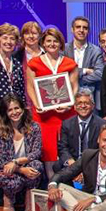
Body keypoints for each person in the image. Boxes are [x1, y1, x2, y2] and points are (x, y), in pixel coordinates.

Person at [26, 27, 79, 179]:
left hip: (66, 114)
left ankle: (66, 185)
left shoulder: (70, 63)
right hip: (44, 116)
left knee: (67, 149)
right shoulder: (34, 63)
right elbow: (30, 87)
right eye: (48, 41)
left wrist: (69, 103)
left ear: (61, 43)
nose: (52, 44)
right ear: (43, 42)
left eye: (55, 41)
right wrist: (37, 105)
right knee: (48, 151)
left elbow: (74, 87)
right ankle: (51, 184)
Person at [47, 124, 106, 211]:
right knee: (60, 187)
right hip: (88, 197)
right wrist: (52, 186)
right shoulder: (88, 155)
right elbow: (65, 173)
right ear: (98, 140)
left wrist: (94, 199)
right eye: (105, 140)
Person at [0, 95, 43, 211]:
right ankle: (8, 198)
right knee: (11, 179)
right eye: (10, 110)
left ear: (23, 108)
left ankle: (29, 201)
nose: (14, 112)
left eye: (17, 108)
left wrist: (16, 163)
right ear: (5, 112)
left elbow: (36, 152)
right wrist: (20, 170)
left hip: (25, 164)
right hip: (5, 168)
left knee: (36, 166)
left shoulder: (34, 127)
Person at [57, 89, 105, 172]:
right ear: (75, 107)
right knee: (57, 166)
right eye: (79, 103)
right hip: (73, 162)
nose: (83, 106)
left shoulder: (102, 124)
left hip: (94, 163)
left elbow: (103, 149)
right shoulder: (67, 124)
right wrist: (70, 161)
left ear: (93, 106)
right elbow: (63, 147)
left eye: (86, 103)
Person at [65, 17, 105, 103]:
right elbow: (62, 73)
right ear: (72, 29)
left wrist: (75, 78)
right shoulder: (64, 49)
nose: (81, 30)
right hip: (67, 96)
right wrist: (84, 70)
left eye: (85, 28)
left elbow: (99, 74)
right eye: (78, 27)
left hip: (89, 98)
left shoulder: (95, 50)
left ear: (88, 31)